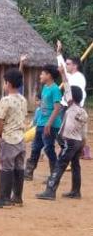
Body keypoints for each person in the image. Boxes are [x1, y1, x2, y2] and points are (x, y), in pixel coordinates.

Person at [36, 67, 88, 200]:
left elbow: (66, 86)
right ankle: (76, 191)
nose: (65, 95)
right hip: (78, 142)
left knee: (60, 164)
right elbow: (84, 134)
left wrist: (63, 73)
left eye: (67, 95)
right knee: (76, 165)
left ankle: (50, 191)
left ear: (71, 97)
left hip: (69, 142)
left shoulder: (71, 107)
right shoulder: (83, 112)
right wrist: (83, 147)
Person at [0, 69, 28, 208]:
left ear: (8, 83)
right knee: (19, 167)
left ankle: (3, 198)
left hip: (9, 139)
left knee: (6, 167)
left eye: (4, 82)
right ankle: (17, 197)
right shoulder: (23, 99)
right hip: (21, 139)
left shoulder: (5, 100)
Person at [24, 64, 63, 181]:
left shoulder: (55, 89)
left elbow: (57, 108)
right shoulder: (45, 87)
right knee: (35, 147)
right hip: (41, 123)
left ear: (49, 75)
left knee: (48, 148)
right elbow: (43, 106)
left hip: (50, 125)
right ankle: (29, 172)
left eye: (42, 73)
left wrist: (49, 123)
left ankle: (54, 175)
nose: (40, 75)